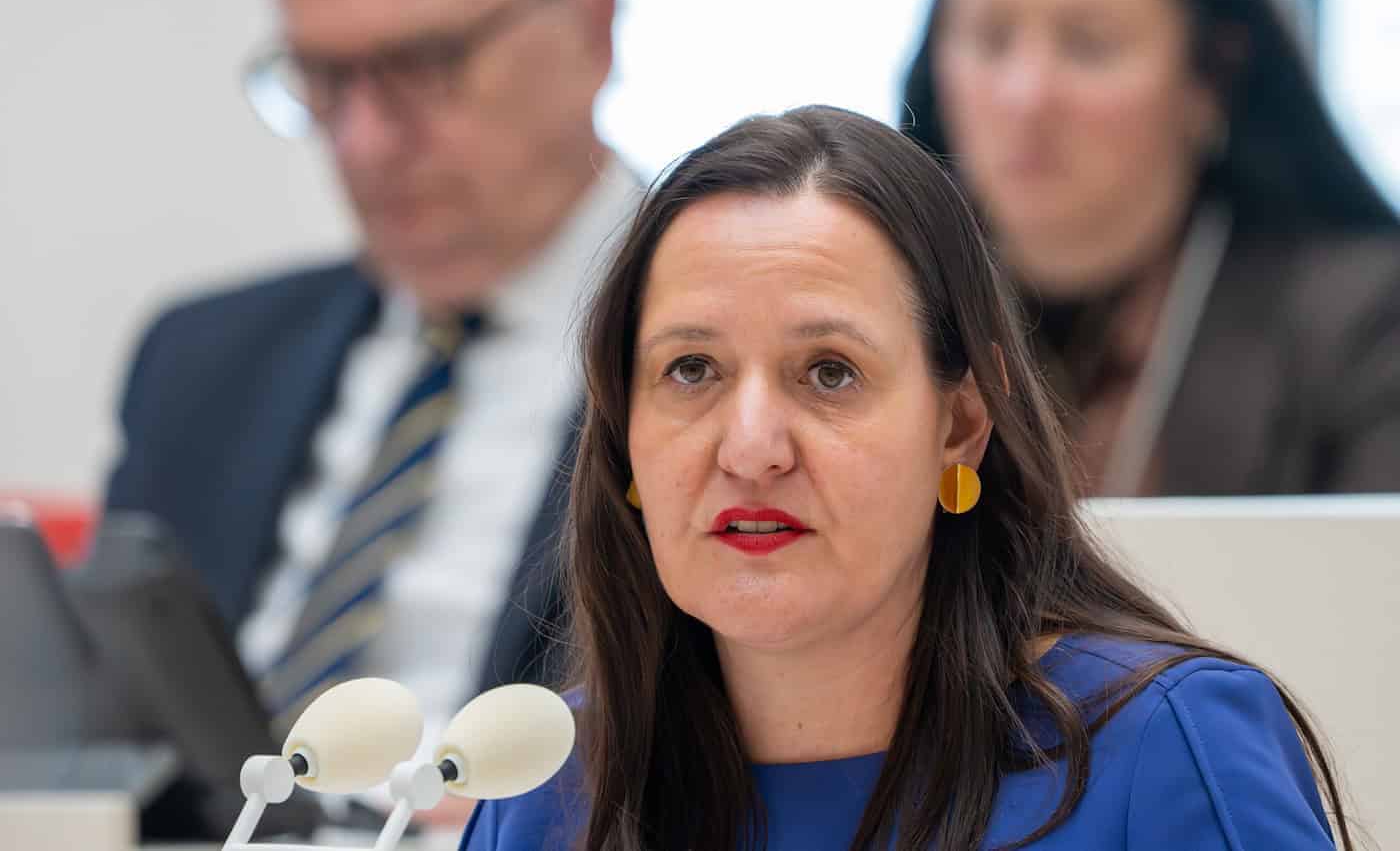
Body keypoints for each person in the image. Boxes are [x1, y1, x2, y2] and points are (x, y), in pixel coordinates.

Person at [460, 106, 1348, 850]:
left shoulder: (1168, 749)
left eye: (830, 373)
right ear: (624, 434)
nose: (752, 447)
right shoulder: (542, 788)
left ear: (960, 426)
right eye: (692, 369)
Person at [102, 0, 635, 831]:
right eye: (324, 78)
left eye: (425, 64)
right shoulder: (200, 364)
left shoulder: (718, 365)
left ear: (591, 29)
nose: (363, 139)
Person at [901, 0, 1400, 496]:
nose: (1025, 96)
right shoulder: (888, 306)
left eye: (1089, 44)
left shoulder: (1365, 328)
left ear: (1210, 78)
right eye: (991, 38)